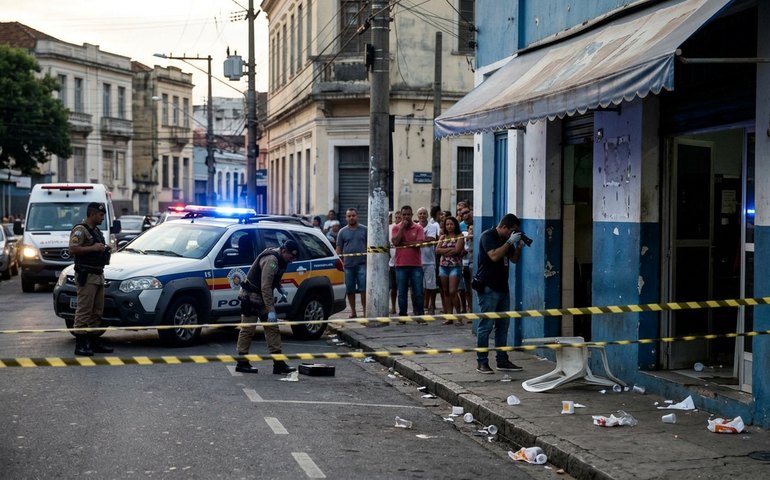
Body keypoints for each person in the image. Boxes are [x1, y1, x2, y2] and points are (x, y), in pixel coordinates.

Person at [234, 240, 299, 375]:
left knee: (272, 328)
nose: (291, 261)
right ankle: (242, 363)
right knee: (247, 329)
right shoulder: (271, 260)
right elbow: (266, 287)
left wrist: (280, 288)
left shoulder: (282, 260)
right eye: (291, 257)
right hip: (250, 296)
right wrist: (271, 310)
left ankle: (278, 364)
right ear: (284, 251)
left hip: (261, 297)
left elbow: (274, 280)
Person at [474, 213, 526, 374]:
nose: (512, 234)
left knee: (503, 326)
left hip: (503, 287)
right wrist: (510, 242)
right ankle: (482, 362)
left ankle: (502, 360)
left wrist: (517, 247)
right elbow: (495, 256)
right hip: (488, 286)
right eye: (511, 231)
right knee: (486, 326)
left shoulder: (506, 240)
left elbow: (514, 260)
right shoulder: (488, 236)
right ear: (503, 227)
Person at [69, 202, 113, 356]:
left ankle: (94, 341)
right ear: (93, 214)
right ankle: (81, 344)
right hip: (86, 275)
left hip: (98, 274)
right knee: (84, 311)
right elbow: (72, 249)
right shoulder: (80, 231)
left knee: (97, 311)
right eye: (100, 215)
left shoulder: (96, 231)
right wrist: (93, 248)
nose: (102, 218)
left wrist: (105, 249)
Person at [391, 205, 425, 320]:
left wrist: (403, 244)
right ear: (401, 215)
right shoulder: (396, 227)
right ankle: (403, 316)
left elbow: (419, 244)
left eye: (408, 214)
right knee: (402, 293)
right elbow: (395, 242)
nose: (406, 217)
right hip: (401, 265)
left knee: (418, 292)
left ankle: (420, 316)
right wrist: (402, 229)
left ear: (412, 215)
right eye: (404, 215)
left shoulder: (418, 228)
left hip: (416, 265)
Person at [336, 208, 367, 318]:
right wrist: (339, 263)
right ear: (346, 218)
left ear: (357, 216)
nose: (351, 218)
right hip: (348, 266)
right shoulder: (342, 232)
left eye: (353, 215)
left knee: (363, 289)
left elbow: (369, 247)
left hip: (362, 264)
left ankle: (365, 312)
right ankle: (353, 312)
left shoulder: (365, 230)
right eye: (349, 216)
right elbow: (339, 248)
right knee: (350, 289)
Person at [436, 215, 465, 324]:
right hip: (443, 266)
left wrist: (444, 250)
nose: (449, 226)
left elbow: (457, 251)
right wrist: (449, 250)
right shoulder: (443, 237)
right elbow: (437, 250)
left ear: (455, 225)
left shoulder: (460, 236)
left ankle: (458, 315)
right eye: (447, 224)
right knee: (446, 291)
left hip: (455, 266)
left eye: (451, 224)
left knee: (453, 291)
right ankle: (449, 316)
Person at [417, 207, 439, 315]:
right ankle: (421, 306)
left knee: (431, 286)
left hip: (430, 261)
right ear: (417, 216)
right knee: (419, 287)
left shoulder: (432, 226)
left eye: (424, 213)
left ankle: (432, 305)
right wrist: (423, 239)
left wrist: (419, 240)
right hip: (417, 261)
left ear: (427, 215)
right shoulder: (415, 226)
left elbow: (431, 240)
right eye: (420, 214)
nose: (422, 215)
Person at [388, 210, 402, 315]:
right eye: (396, 217)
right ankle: (393, 307)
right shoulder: (390, 228)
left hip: (402, 262)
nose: (397, 219)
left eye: (399, 217)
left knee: (402, 288)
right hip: (392, 262)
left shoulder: (404, 228)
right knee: (393, 287)